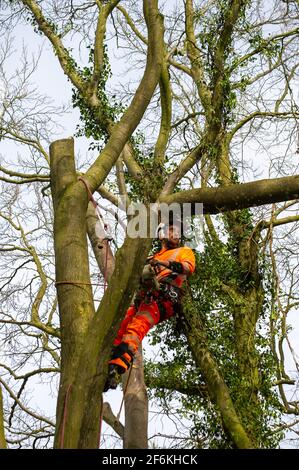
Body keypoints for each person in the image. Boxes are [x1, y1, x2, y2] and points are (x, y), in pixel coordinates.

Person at [104, 222, 196, 391]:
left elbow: (188, 268)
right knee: (119, 326)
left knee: (137, 326)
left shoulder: (184, 252)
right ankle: (107, 362)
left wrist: (165, 265)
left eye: (177, 232)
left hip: (164, 298)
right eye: (171, 230)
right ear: (161, 234)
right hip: (144, 298)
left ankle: (117, 368)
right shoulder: (151, 257)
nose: (175, 234)